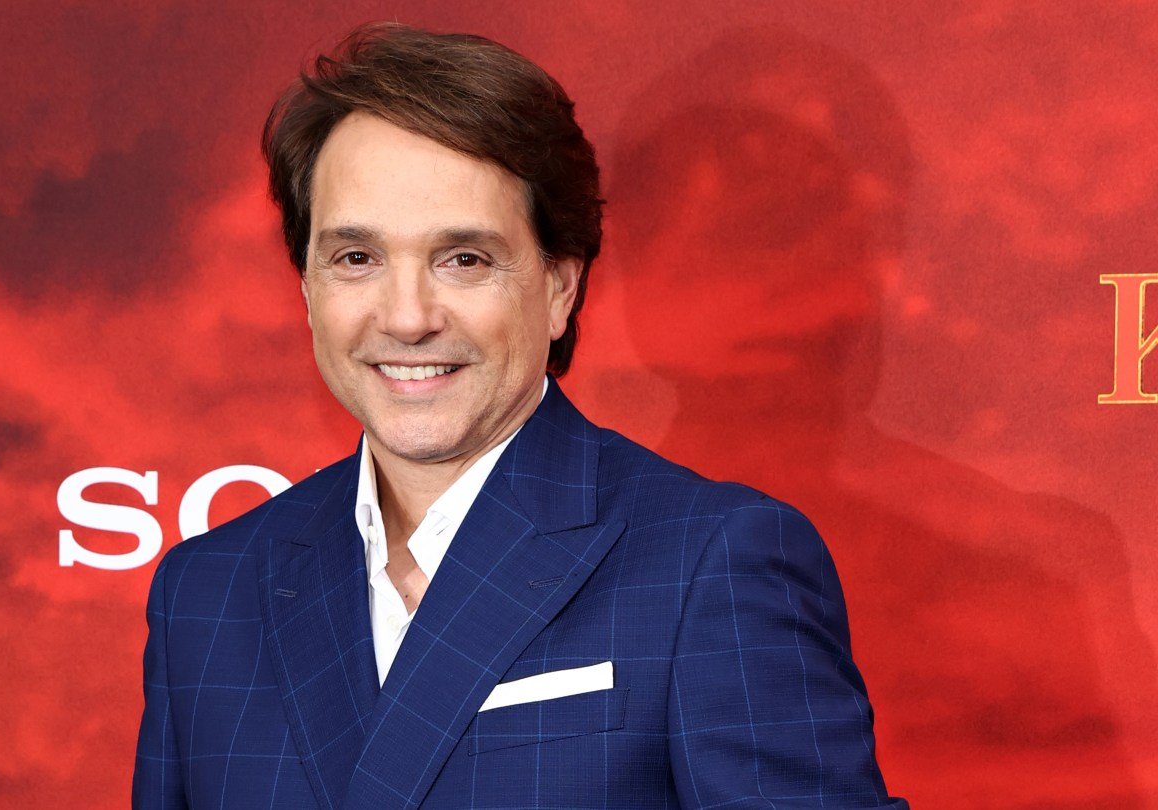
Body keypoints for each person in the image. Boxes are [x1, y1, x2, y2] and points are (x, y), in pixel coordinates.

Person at [133, 21, 905, 809]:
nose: (407, 317)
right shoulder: (206, 594)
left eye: (464, 259)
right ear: (306, 288)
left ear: (561, 287)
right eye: (357, 258)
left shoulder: (713, 562)